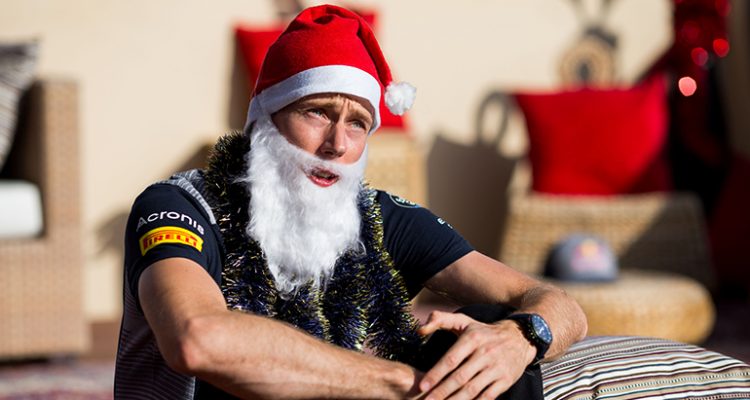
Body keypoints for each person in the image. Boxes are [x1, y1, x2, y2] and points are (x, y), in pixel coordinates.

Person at [114, 4, 587, 399]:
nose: (337, 144)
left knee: (479, 338)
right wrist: (407, 383)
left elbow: (561, 306)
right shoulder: (180, 205)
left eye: (358, 122)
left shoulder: (377, 216)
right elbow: (197, 339)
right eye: (317, 112)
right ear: (265, 120)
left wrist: (522, 336)